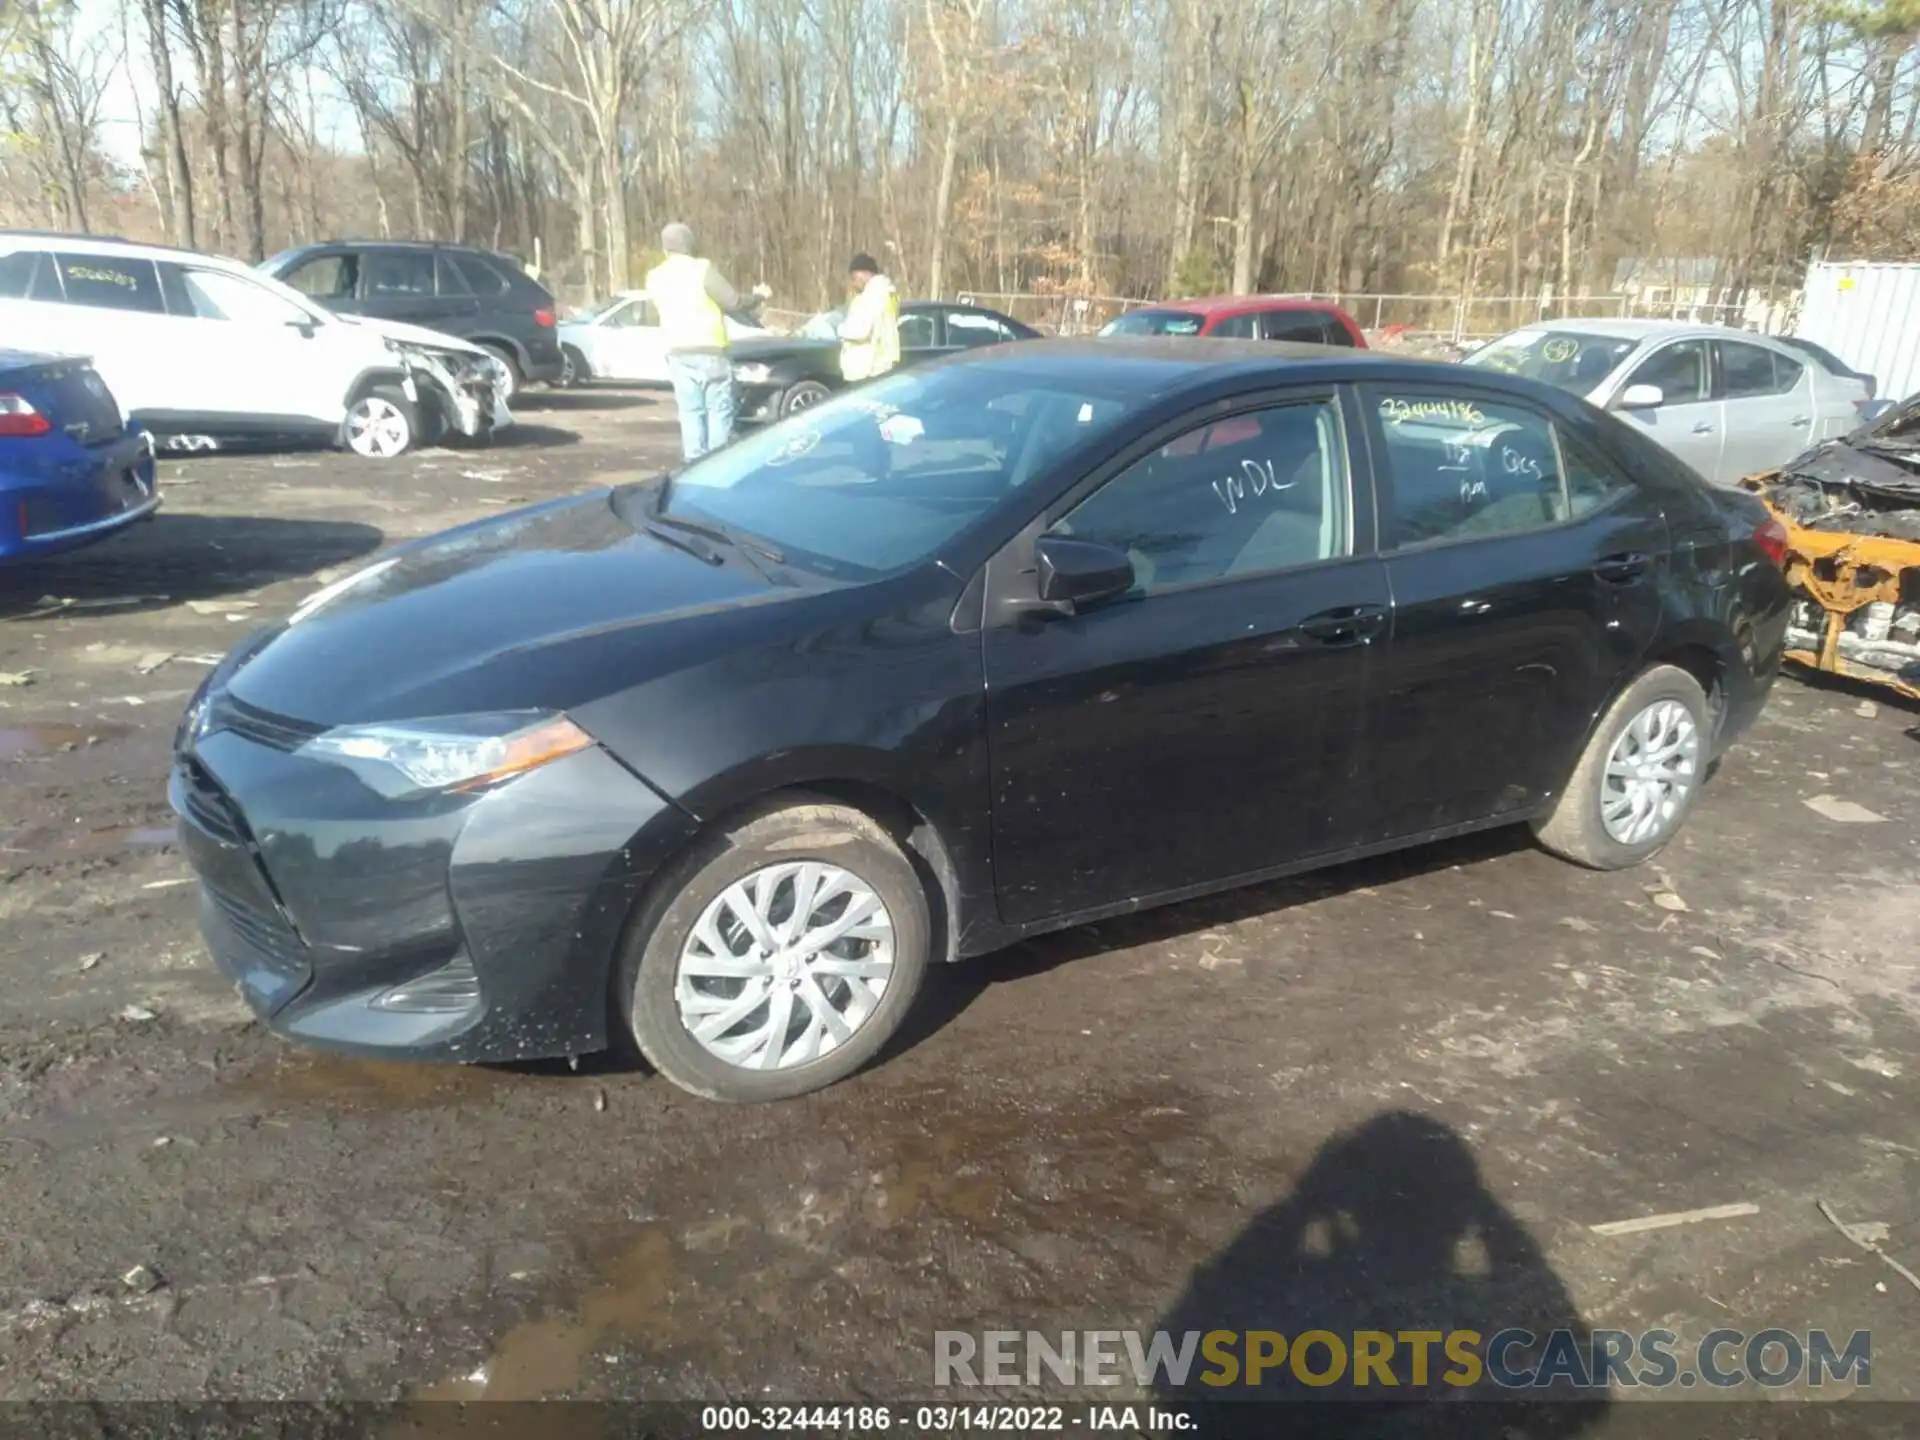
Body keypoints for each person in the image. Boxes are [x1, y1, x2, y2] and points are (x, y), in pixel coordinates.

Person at [645, 223, 763, 462]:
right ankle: (716, 465)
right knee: (718, 413)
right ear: (690, 244)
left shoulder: (655, 276)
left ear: (665, 247)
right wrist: (758, 297)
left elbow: (651, 313)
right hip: (710, 350)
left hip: (677, 352)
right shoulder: (701, 269)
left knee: (690, 413)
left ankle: (693, 467)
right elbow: (733, 301)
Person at [837, 252, 900, 383]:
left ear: (863, 273)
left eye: (854, 277)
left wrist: (840, 329)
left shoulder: (872, 296)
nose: (853, 283)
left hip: (868, 367)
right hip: (883, 363)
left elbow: (860, 331)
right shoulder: (887, 293)